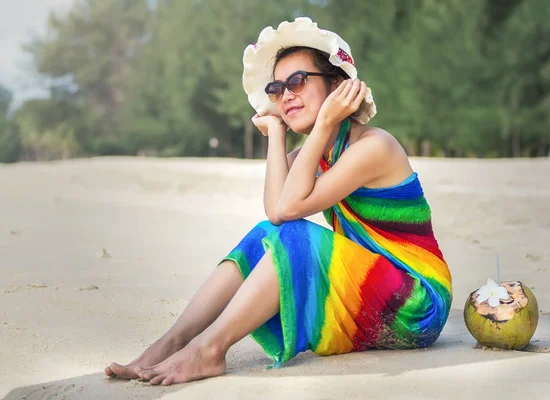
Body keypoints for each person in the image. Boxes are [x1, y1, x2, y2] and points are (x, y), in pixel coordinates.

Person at [104, 17, 452, 386]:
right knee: (266, 233)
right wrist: (276, 134)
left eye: (298, 82)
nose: (286, 95)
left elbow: (288, 213)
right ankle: (171, 342)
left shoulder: (374, 147)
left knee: (295, 235)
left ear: (337, 85)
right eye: (276, 88)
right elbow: (274, 212)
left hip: (416, 304)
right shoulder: (314, 154)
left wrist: (319, 127)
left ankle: (208, 350)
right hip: (370, 287)